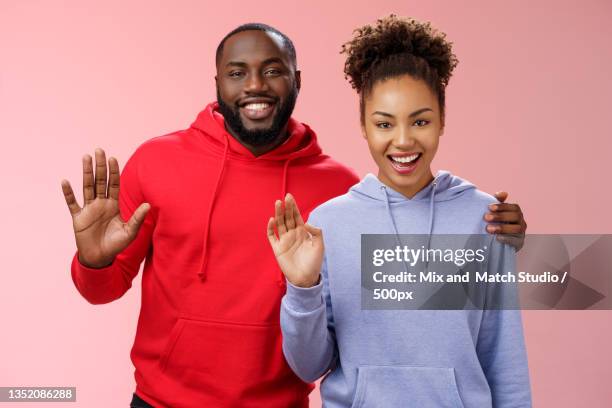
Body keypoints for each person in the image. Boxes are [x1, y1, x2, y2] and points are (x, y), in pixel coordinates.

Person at [61, 23, 527, 408]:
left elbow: (413, 293)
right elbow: (100, 291)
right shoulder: (157, 162)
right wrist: (95, 260)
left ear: (298, 80)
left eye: (272, 71)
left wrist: (500, 237)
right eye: (237, 72)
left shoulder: (337, 191)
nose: (256, 86)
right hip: (161, 403)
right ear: (217, 83)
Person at [268, 15, 531, 408]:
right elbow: (309, 367)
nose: (403, 140)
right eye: (384, 124)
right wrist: (302, 289)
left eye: (420, 121)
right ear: (363, 126)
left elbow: (504, 355)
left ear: (442, 120)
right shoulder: (328, 223)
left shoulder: (484, 217)